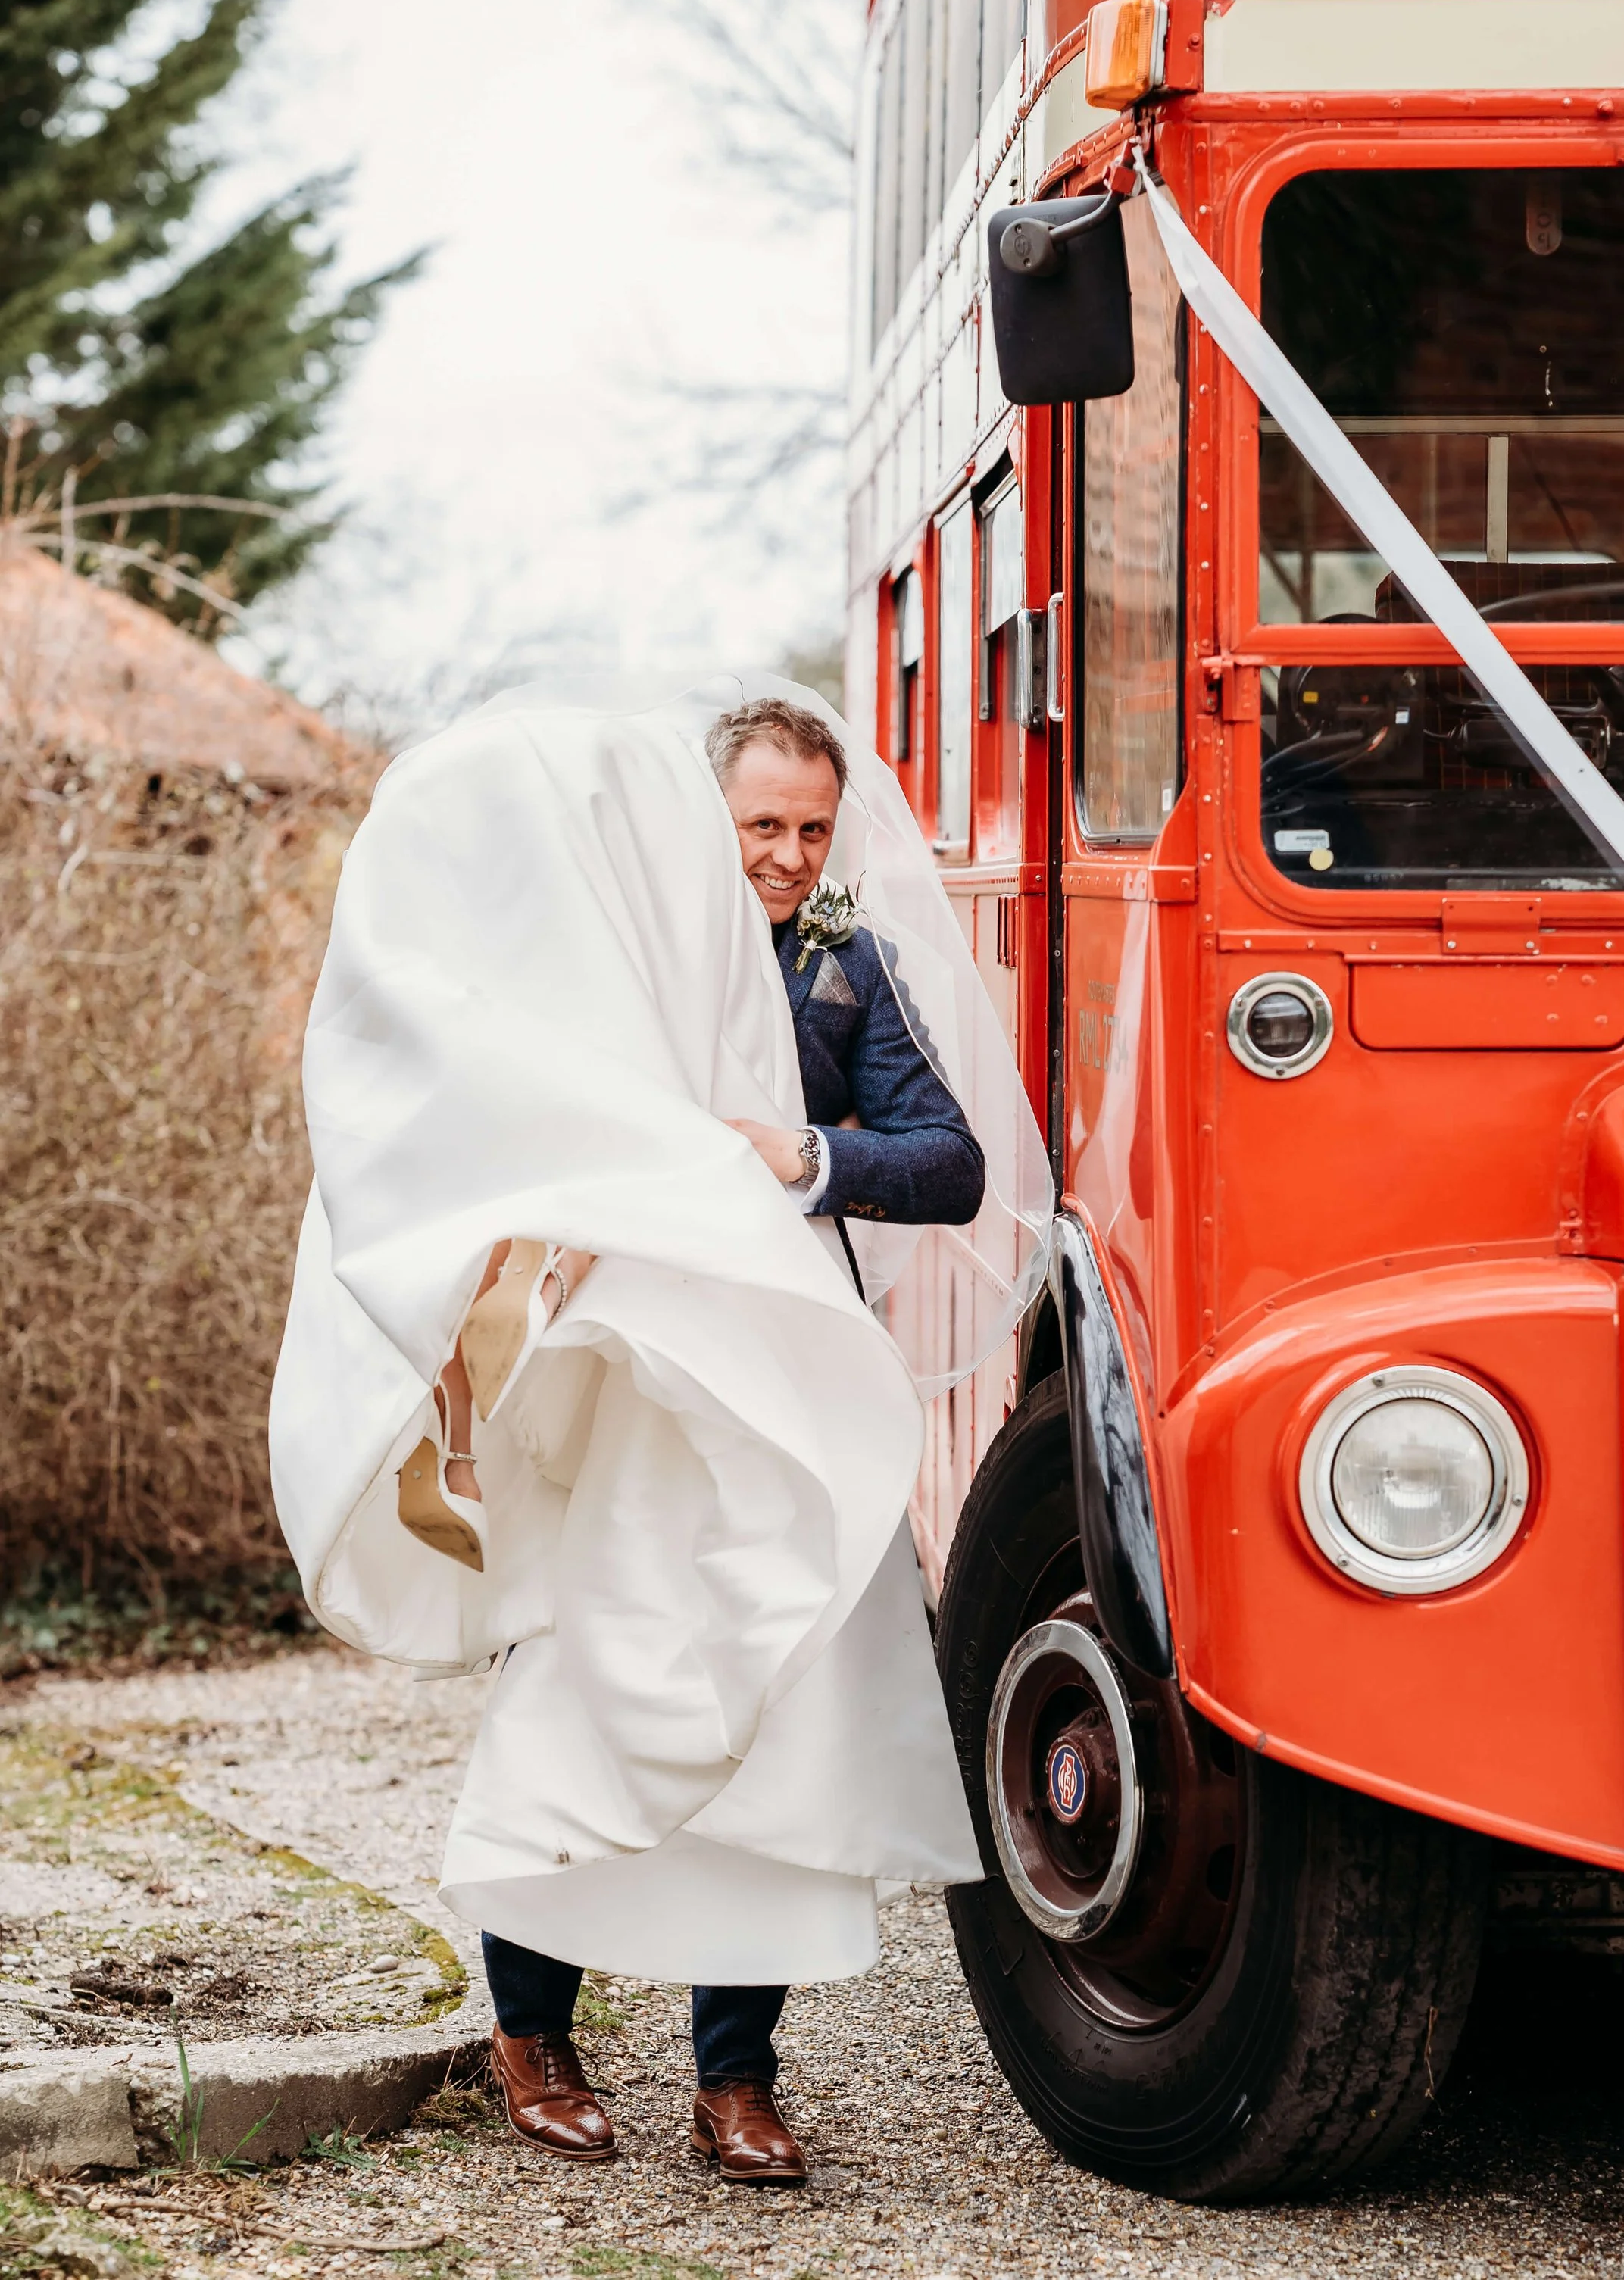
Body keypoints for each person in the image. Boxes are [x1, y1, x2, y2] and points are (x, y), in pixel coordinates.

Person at [270, 679, 1051, 2191]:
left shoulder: (841, 972)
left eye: (812, 830)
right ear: (706, 820)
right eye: (760, 823)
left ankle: (736, 2083)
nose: (786, 856)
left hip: (779, 1391)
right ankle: (531, 2036)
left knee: (782, 1708)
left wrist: (806, 1155)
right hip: (629, 1394)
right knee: (580, 1682)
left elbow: (949, 1164)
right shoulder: (598, 973)